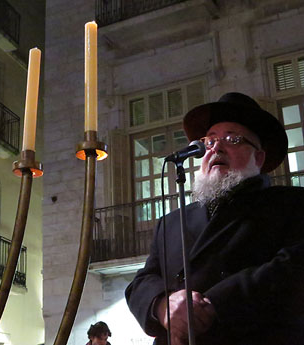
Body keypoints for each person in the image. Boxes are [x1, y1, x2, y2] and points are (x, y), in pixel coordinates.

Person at [125, 92, 304, 345]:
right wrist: (164, 306)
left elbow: (293, 270)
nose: (216, 147)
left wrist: (207, 307)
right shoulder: (172, 222)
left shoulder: (292, 204)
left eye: (232, 139)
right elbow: (141, 282)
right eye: (209, 142)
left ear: (259, 157)